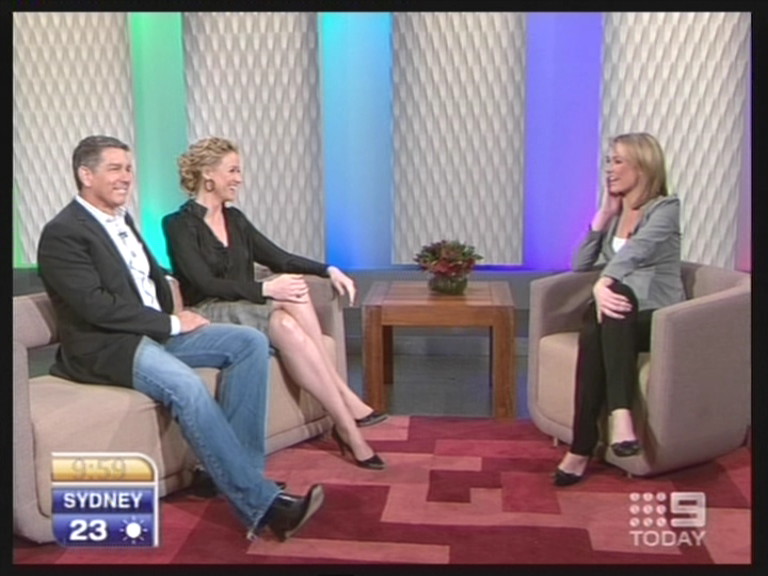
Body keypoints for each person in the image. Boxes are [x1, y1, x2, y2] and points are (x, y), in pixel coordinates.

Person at [37, 135, 324, 541]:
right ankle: (262, 506)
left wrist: (170, 305)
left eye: (129, 168)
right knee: (187, 385)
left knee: (249, 343)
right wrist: (172, 323)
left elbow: (140, 278)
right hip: (108, 346)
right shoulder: (63, 233)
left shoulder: (121, 220)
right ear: (86, 175)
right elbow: (96, 307)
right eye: (115, 168)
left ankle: (240, 473)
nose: (126, 177)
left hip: (152, 331)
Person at [162, 136, 388, 472]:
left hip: (245, 305)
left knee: (291, 304)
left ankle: (345, 425)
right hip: (208, 310)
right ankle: (347, 412)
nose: (239, 179)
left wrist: (328, 269)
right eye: (232, 171)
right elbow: (204, 283)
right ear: (208, 173)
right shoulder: (178, 224)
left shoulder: (235, 219)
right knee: (284, 298)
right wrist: (266, 288)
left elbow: (279, 257)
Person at [554, 132, 685, 486]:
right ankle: (617, 419)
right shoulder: (616, 214)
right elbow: (580, 263)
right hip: (617, 317)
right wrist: (604, 213)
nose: (609, 169)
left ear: (642, 166)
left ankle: (581, 448)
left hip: (657, 318)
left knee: (607, 304)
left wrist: (604, 283)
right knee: (598, 320)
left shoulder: (665, 208)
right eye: (608, 161)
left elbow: (637, 251)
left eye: (617, 161)